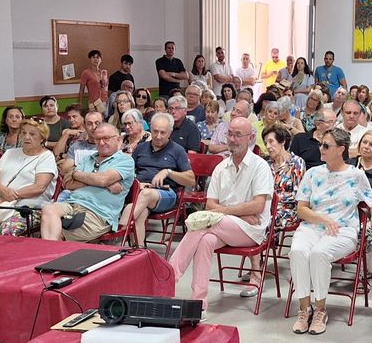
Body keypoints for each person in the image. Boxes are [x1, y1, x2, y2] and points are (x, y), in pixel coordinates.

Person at [169, 117, 273, 304]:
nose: (232, 139)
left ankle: (169, 276)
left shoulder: (260, 167)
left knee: (202, 223)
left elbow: (258, 206)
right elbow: (210, 205)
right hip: (223, 225)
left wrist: (224, 212)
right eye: (230, 134)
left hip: (252, 230)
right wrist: (239, 212)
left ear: (251, 138)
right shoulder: (220, 167)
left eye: (238, 135)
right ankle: (199, 302)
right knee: (205, 240)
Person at [290, 127, 372, 335]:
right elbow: (301, 209)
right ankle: (304, 308)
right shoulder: (313, 173)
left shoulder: (356, 175)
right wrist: (322, 218)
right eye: (321, 144)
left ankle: (320, 310)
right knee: (298, 251)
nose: (321, 148)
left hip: (343, 229)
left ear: (341, 149)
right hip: (313, 225)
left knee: (320, 254)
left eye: (326, 146)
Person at [240, 124, 305, 299]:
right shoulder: (264, 164)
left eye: (271, 142)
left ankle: (255, 274)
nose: (268, 146)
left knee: (262, 222)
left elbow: (297, 195)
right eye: (266, 142)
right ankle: (256, 266)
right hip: (265, 208)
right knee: (246, 220)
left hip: (288, 210)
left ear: (282, 142)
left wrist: (271, 204)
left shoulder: (296, 163)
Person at [41, 123, 135, 242]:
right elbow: (68, 183)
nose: (101, 143)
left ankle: (51, 254)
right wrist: (100, 182)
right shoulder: (88, 158)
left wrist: (77, 174)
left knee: (54, 230)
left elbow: (103, 179)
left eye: (106, 138)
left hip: (98, 213)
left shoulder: (125, 160)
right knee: (48, 209)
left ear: (118, 139)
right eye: (97, 139)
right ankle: (53, 252)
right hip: (72, 203)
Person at [122, 113, 194, 247]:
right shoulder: (141, 148)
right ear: (150, 129)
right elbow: (129, 172)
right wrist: (138, 183)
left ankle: (118, 237)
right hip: (141, 193)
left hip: (166, 194)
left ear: (170, 133)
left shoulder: (177, 150)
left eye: (163, 132)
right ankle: (139, 252)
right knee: (140, 213)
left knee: (145, 195)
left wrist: (168, 172)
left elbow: (191, 180)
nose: (158, 136)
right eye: (155, 131)